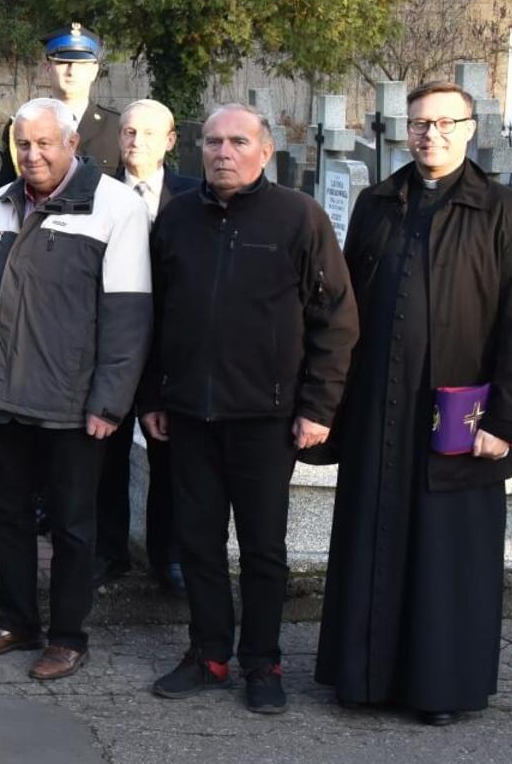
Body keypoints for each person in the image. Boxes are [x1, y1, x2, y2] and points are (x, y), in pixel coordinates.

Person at [315, 81, 512, 727]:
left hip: (458, 416)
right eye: (418, 124)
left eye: (445, 123)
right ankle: (362, 677)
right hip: (380, 408)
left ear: (470, 129)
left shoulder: (504, 210)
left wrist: (505, 420)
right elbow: (347, 306)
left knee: (446, 554)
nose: (430, 135)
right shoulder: (377, 203)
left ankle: (439, 689)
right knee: (370, 539)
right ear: (403, 130)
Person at [140, 104, 358, 714]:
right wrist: (152, 395)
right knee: (199, 543)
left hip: (266, 418)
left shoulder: (298, 218)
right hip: (188, 415)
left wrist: (318, 406)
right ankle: (209, 654)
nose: (223, 152)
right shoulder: (177, 218)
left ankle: (263, 662)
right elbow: (153, 314)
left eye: (238, 141)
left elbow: (336, 320)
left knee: (263, 549)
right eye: (212, 142)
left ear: (265, 151)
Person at [0, 98, 150, 681]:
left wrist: (110, 401)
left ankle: (68, 636)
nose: (32, 154)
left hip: (73, 404)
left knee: (72, 526)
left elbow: (129, 315)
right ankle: (15, 621)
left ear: (72, 144)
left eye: (44, 143)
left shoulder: (115, 206)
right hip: (3, 396)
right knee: (4, 515)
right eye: (23, 144)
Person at [96, 99, 200, 591]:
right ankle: (108, 551)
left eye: (148, 133)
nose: (136, 141)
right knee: (104, 455)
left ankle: (168, 556)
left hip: (171, 349)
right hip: (110, 345)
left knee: (170, 457)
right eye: (129, 132)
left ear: (171, 140)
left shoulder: (194, 198)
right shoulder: (95, 193)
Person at [0, 24, 121, 189]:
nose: (71, 71)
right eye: (63, 62)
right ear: (47, 67)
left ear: (94, 70)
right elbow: (5, 192)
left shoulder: (115, 127)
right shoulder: (23, 125)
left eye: (81, 64)